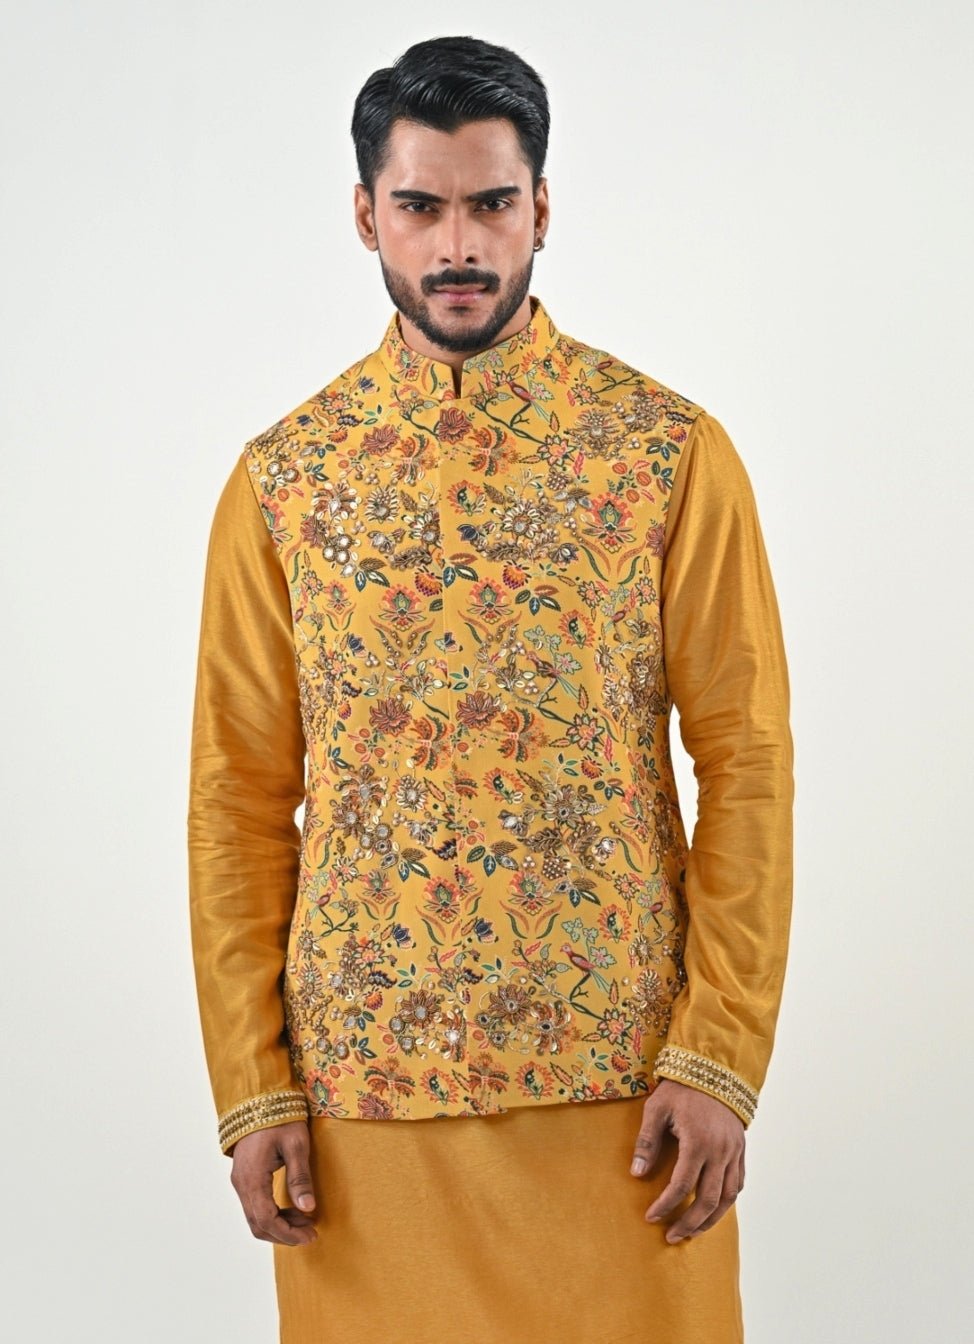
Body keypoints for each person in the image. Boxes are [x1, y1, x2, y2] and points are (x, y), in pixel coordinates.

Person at [187, 33, 794, 1344]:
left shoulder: (665, 455)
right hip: (362, 1105)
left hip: (626, 1093)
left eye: (491, 204)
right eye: (420, 206)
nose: (457, 245)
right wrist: (252, 1083)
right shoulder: (286, 482)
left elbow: (745, 760)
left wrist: (720, 1055)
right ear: (366, 215)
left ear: (542, 208)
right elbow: (237, 798)